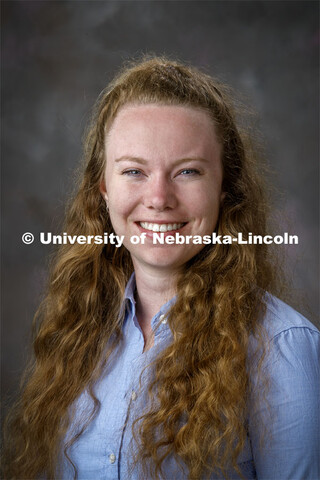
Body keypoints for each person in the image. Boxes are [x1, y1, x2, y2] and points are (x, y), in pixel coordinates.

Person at [3, 57, 319, 480]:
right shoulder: (79, 330)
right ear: (103, 189)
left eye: (188, 171)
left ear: (224, 188)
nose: (158, 198)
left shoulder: (283, 347)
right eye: (134, 171)